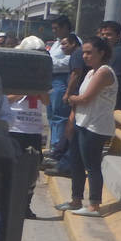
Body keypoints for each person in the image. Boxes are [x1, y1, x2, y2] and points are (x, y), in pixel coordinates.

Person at [58, 36, 116, 217]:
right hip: (81, 123)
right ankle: (76, 200)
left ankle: (94, 205)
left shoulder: (104, 72)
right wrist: (71, 118)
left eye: (89, 53)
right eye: (84, 53)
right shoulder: (91, 72)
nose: (85, 56)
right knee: (76, 162)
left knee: (91, 166)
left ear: (102, 53)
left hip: (95, 126)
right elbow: (80, 101)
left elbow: (84, 99)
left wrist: (69, 98)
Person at [7, 36, 50, 218]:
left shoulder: (41, 77)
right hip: (13, 129)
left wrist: (39, 88)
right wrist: (24, 90)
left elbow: (47, 101)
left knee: (32, 172)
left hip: (33, 131)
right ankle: (8, 204)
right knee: (9, 170)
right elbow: (6, 99)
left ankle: (25, 206)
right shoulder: (13, 73)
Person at [46, 16, 73, 159]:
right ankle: (53, 146)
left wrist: (48, 61)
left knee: (59, 116)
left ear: (65, 28)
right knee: (51, 115)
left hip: (62, 80)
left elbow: (69, 62)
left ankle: (58, 149)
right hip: (51, 80)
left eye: (57, 28)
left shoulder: (73, 42)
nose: (54, 31)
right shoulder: (56, 43)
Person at [98, 20, 121, 110]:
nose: (105, 37)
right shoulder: (113, 51)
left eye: (109, 35)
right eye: (103, 34)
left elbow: (114, 79)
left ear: (119, 36)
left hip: (113, 103)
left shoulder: (119, 52)